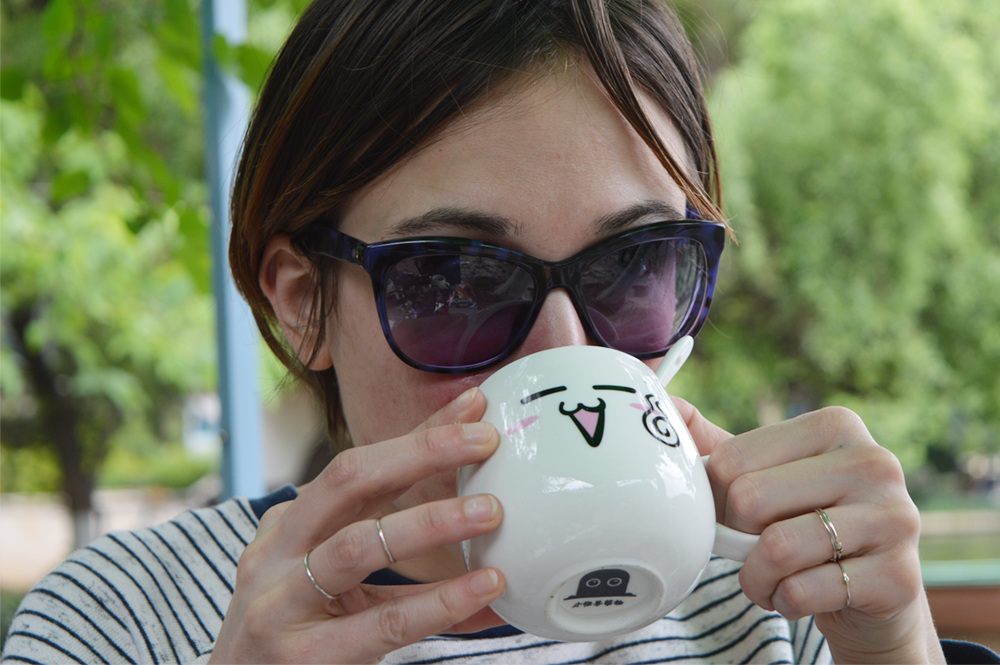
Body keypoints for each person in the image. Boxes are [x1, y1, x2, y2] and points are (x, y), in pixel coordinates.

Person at [3, 1, 998, 664]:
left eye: (632, 265)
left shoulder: (772, 598)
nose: (565, 355)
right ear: (301, 300)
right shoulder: (121, 618)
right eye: (456, 280)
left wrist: (895, 645)